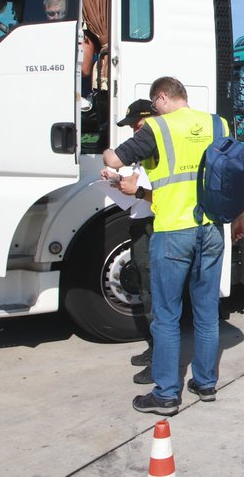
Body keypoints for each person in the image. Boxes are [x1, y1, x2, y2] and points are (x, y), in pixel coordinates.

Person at [102, 77, 244, 416]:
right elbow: (234, 173)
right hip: (211, 229)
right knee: (207, 313)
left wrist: (108, 153)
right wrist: (238, 217)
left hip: (172, 231)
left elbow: (116, 161)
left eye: (156, 104)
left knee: (167, 316)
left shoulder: (157, 129)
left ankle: (166, 394)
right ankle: (205, 383)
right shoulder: (217, 123)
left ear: (163, 97)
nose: (155, 110)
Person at [100, 99, 158, 384]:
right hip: (140, 221)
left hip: (152, 223)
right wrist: (116, 178)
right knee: (146, 290)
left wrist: (133, 188)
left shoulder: (156, 143)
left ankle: (160, 357)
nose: (135, 131)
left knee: (153, 293)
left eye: (136, 124)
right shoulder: (144, 146)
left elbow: (156, 188)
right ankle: (154, 347)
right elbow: (138, 177)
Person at [44, 0, 97, 99]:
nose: (56, 17)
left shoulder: (81, 32)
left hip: (81, 93)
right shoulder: (43, 35)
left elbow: (84, 70)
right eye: (51, 13)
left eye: (60, 12)